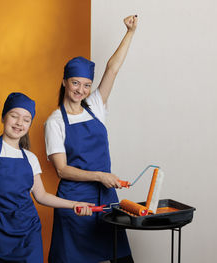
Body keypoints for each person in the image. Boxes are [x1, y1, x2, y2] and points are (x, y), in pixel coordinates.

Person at [0, 51, 93, 263]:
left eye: (26, 119)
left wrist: (74, 204)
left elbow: (41, 196)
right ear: (4, 117)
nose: (19, 123)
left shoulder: (30, 158)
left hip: (29, 231)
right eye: (14, 116)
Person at [44, 15, 138, 263]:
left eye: (86, 85)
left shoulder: (95, 106)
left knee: (121, 258)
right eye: (75, 83)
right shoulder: (54, 122)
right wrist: (99, 176)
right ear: (64, 82)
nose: (81, 90)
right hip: (75, 203)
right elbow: (62, 170)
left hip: (106, 200)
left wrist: (130, 32)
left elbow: (112, 68)